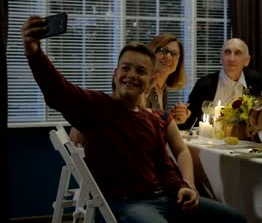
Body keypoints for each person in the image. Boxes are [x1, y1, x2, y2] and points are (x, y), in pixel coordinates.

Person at [22, 15, 246, 223]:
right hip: (125, 204)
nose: (131, 74)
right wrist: (34, 51)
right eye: (125, 68)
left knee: (235, 218)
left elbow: (164, 165)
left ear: (149, 82)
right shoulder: (96, 106)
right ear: (115, 74)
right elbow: (57, 90)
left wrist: (182, 188)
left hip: (165, 197)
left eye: (140, 71)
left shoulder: (153, 120)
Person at [70, 33, 196, 190]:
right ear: (151, 54)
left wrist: (173, 119)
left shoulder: (162, 89)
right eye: (163, 50)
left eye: (174, 53)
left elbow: (154, 122)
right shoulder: (135, 85)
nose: (168, 56)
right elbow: (128, 117)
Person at [183, 38, 262, 129]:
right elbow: (189, 120)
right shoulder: (204, 84)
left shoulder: (255, 81)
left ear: (246, 60)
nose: (232, 58)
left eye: (237, 53)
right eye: (227, 52)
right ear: (221, 58)